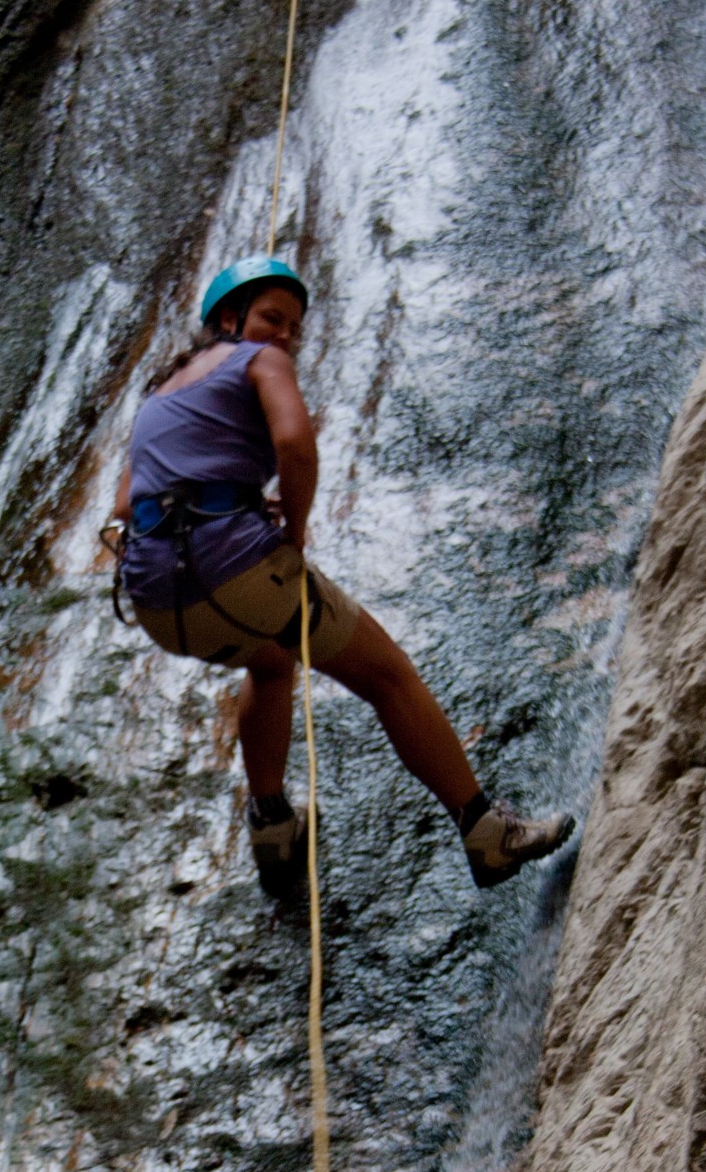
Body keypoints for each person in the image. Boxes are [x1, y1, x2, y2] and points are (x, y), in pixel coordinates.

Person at [104, 253, 573, 895]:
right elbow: (295, 445)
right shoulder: (259, 361)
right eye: (273, 318)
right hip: (237, 572)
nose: (285, 336)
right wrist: (291, 536)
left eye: (294, 328)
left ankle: (272, 828)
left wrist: (229, 497)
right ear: (229, 319)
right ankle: (487, 833)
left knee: (271, 663)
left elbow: (124, 506)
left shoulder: (156, 397)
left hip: (159, 604)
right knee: (388, 675)